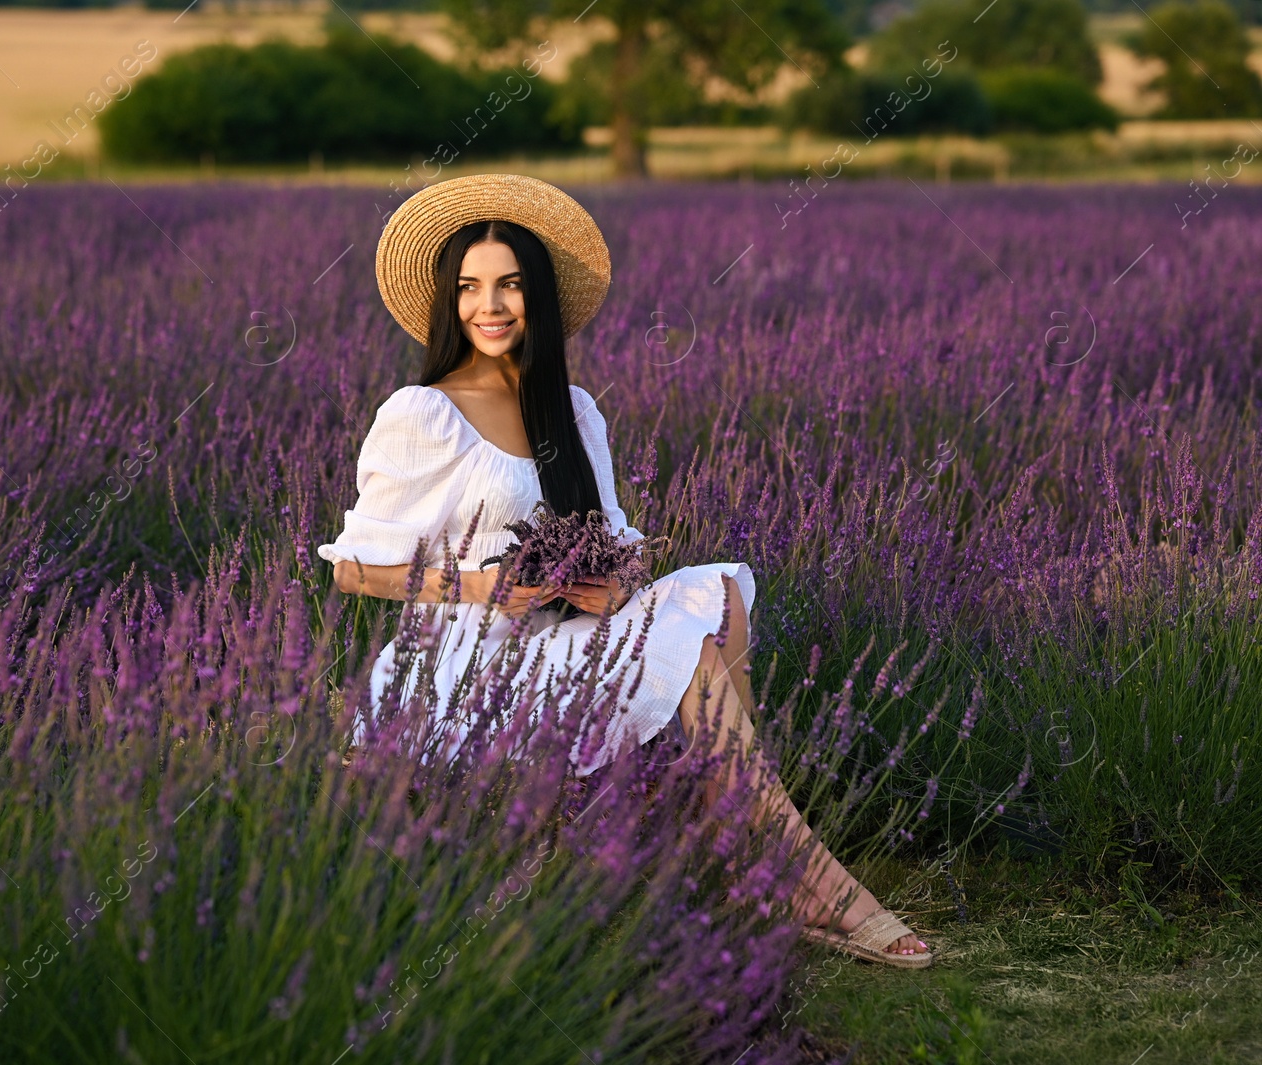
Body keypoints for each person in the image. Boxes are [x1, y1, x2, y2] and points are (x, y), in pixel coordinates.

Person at [317, 173, 931, 967]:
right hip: (465, 663)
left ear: (537, 296)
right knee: (691, 649)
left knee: (715, 594)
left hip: (568, 636)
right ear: (448, 302)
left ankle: (744, 832)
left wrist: (609, 585)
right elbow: (356, 569)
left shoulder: (572, 409)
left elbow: (615, 540)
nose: (490, 306)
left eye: (509, 284)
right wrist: (480, 586)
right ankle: (799, 875)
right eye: (468, 288)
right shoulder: (423, 411)